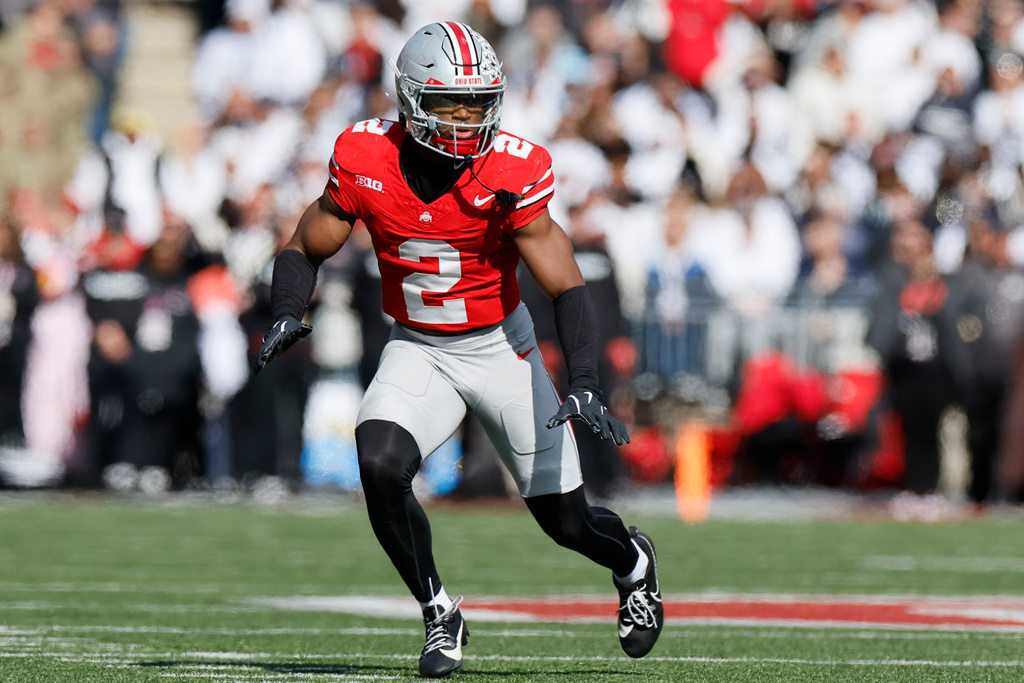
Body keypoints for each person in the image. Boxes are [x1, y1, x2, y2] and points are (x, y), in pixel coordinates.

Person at [254, 21, 663, 678]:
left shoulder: (511, 169)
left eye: (479, 103)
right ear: (411, 97)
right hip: (418, 346)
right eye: (452, 104)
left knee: (567, 522)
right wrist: (285, 308)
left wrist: (584, 379)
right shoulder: (365, 157)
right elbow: (306, 244)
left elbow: (565, 281)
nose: (469, 119)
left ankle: (633, 561)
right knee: (379, 462)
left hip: (502, 350)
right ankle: (438, 610)